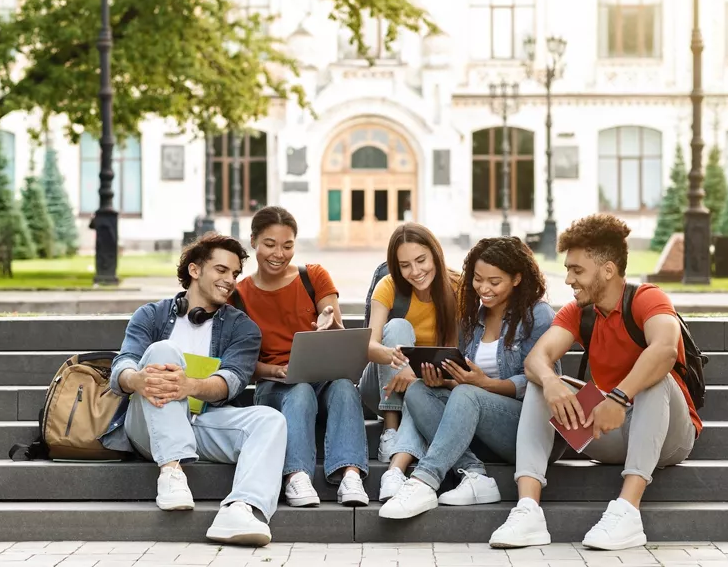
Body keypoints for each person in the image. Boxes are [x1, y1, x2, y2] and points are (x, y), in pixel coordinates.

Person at [488, 214, 702, 551]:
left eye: (577, 270)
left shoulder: (648, 298)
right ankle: (528, 511)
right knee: (541, 384)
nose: (569, 279)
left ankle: (628, 512)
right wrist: (552, 381)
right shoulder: (578, 311)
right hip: (609, 431)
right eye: (568, 269)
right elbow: (535, 360)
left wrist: (618, 397)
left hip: (669, 436)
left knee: (655, 378)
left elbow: (663, 349)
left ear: (607, 270)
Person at [102, 233, 287, 547]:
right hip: (147, 426)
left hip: (202, 423)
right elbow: (122, 367)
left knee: (271, 420)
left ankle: (241, 509)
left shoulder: (242, 328)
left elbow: (229, 382)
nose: (230, 280)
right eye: (221, 270)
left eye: (234, 274)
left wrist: (188, 386)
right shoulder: (151, 315)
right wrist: (138, 380)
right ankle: (171, 472)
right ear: (195, 270)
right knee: (163, 352)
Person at [378, 237, 556, 519]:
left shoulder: (537, 315)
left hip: (524, 430)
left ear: (517, 278)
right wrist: (446, 379)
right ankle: (475, 475)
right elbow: (466, 379)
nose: (483, 289)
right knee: (418, 391)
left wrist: (486, 384)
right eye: (477, 279)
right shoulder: (474, 316)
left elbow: (542, 382)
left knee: (466, 394)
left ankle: (425, 480)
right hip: (476, 428)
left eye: (494, 282)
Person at [233, 206, 370, 508]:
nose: (279, 254)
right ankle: (295, 476)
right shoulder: (239, 295)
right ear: (253, 241)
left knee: (346, 388)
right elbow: (240, 364)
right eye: (270, 244)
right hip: (275, 386)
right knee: (299, 390)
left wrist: (329, 322)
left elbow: (339, 332)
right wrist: (273, 370)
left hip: (322, 378)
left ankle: (350, 474)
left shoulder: (314, 276)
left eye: (287, 245)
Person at [358, 223, 459, 502]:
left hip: (429, 384)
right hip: (380, 385)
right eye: (404, 265)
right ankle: (390, 429)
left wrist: (415, 376)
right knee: (398, 327)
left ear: (435, 255)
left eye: (421, 260)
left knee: (419, 392)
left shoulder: (458, 288)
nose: (415, 272)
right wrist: (397, 359)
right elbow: (369, 345)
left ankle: (394, 473)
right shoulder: (388, 285)